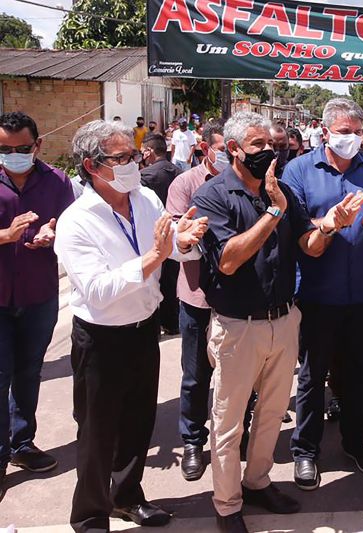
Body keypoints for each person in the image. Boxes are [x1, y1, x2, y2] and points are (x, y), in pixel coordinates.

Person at [56, 119, 208, 532]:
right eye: (120, 158)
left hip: (144, 331)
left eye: (134, 156)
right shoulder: (77, 220)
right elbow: (99, 290)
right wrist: (156, 258)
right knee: (97, 434)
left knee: (138, 423)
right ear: (92, 165)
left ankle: (127, 498)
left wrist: (185, 239)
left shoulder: (143, 199)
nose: (132, 165)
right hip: (100, 340)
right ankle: (89, 516)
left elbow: (170, 244)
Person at [191, 112, 332, 532]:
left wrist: (330, 227)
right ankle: (227, 504)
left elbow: (309, 245)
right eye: (257, 146)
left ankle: (256, 482)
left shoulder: (283, 190)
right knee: (228, 422)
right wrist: (272, 211)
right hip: (238, 327)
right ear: (233, 149)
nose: (268, 153)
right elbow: (229, 261)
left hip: (283, 320)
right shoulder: (213, 195)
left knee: (271, 414)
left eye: (271, 145)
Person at [285, 98, 363, 491]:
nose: (350, 138)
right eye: (343, 131)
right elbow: (294, 227)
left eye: (355, 131)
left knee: (358, 375)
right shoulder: (298, 170)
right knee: (313, 378)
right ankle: (306, 451)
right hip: (316, 294)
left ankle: (354, 443)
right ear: (325, 131)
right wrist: (329, 222)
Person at [0, 112, 74, 499]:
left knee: (29, 373)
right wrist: (5, 236)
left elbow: (69, 223)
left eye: (22, 149)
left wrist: (52, 232)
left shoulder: (58, 181)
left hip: (39, 294)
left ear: (38, 145)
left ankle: (22, 443)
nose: (13, 155)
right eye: (5, 150)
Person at [165, 123, 227, 482]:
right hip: (197, 297)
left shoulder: (249, 182)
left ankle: (237, 434)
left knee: (237, 377)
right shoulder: (185, 184)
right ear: (206, 148)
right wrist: (189, 235)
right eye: (224, 149)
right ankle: (193, 441)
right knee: (195, 376)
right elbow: (175, 236)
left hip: (237, 299)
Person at [140, 133, 182, 335]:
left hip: (153, 235)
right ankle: (172, 322)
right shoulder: (179, 172)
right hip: (176, 234)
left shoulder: (145, 176)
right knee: (172, 279)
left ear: (148, 151)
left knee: (152, 279)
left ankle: (154, 324)